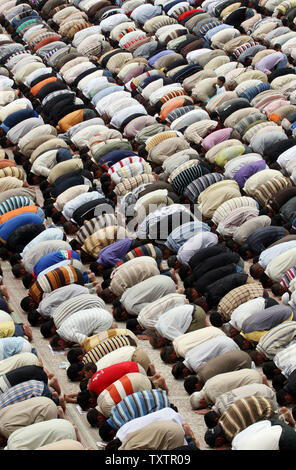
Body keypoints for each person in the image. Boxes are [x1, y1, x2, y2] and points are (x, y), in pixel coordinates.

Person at [204, 397, 283, 448]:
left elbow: (243, 443)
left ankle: (282, 418)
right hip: (262, 400)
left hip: (268, 411)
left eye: (217, 445)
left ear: (219, 440)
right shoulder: (222, 419)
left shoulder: (231, 434)